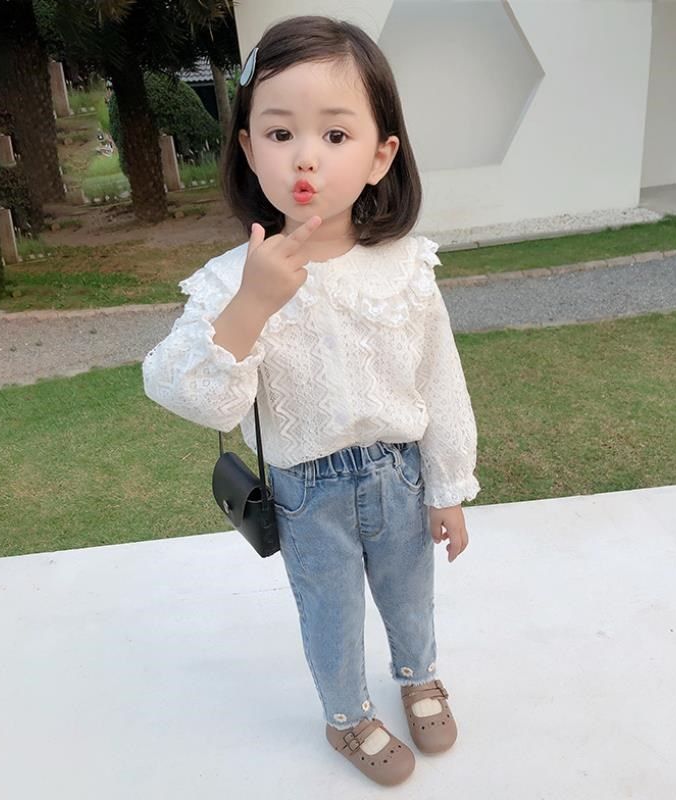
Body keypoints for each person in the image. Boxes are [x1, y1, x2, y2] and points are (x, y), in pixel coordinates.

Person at [142, 15, 480, 787]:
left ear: (380, 154)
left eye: (334, 134)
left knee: (410, 594)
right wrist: (251, 305)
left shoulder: (405, 266)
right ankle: (347, 716)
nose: (305, 156)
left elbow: (439, 380)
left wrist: (449, 488)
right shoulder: (230, 279)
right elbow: (180, 387)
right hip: (307, 492)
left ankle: (419, 675)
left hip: (399, 476)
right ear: (247, 147)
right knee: (329, 613)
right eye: (279, 132)